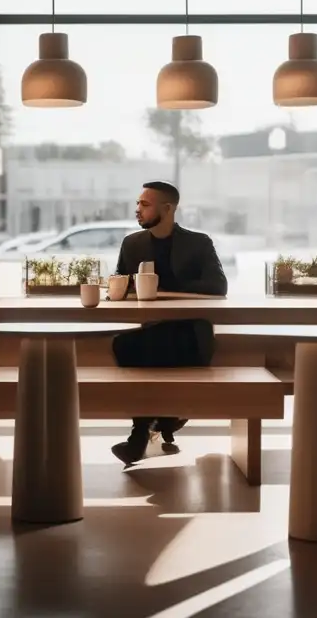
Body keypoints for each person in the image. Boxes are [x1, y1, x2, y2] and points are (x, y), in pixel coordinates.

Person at [109, 181, 228, 466]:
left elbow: (218, 286)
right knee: (127, 343)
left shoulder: (198, 243)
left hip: (189, 333)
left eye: (145, 204)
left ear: (168, 208)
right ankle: (166, 417)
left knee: (144, 345)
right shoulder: (132, 243)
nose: (137, 209)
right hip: (150, 331)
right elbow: (120, 283)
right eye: (138, 203)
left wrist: (169, 286)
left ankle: (142, 434)